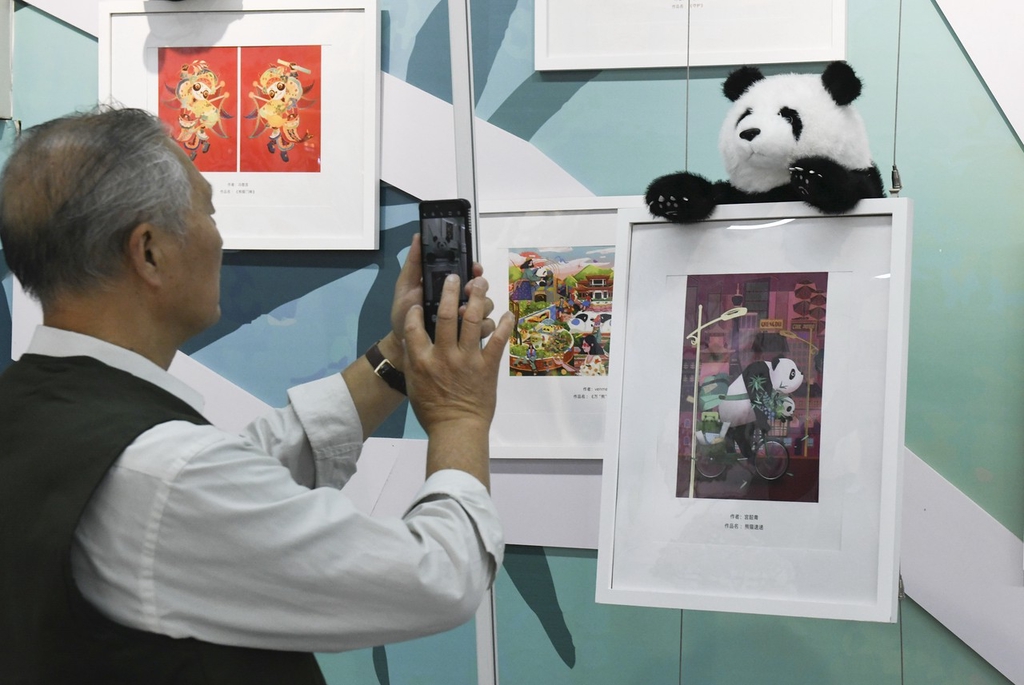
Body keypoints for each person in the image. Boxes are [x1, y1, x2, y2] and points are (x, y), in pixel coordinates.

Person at [0, 107, 514, 684]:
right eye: (208, 211)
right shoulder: (162, 474)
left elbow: (239, 470)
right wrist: (460, 415)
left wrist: (398, 354)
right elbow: (438, 576)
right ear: (148, 252)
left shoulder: (35, 413)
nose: (219, 237)